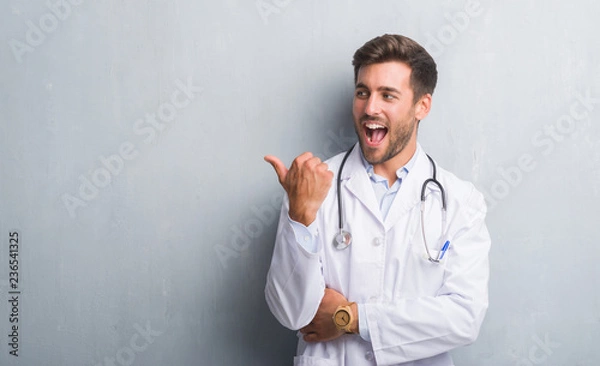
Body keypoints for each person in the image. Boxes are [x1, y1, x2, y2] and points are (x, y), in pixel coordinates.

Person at [264, 34, 490, 366]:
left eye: (388, 95)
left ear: (421, 106)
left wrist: (351, 318)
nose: (370, 108)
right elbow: (290, 312)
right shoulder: (311, 185)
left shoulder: (459, 201)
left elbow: (463, 318)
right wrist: (301, 215)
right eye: (362, 92)